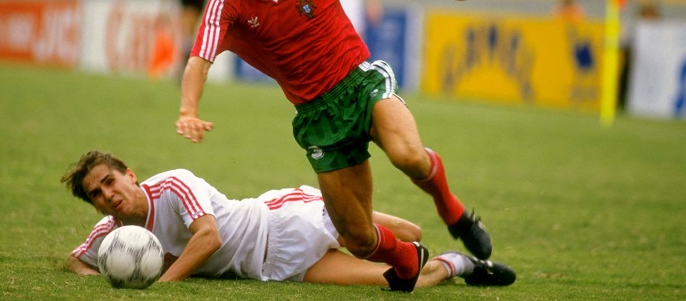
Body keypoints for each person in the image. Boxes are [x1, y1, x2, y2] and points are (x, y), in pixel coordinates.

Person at [175, 0, 501, 292]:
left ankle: (454, 212)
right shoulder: (228, 0)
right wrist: (187, 109)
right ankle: (407, 259)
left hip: (360, 83)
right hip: (317, 117)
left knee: (408, 156)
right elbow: (199, 58)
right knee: (360, 239)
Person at [62, 150, 516, 288]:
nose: (108, 195)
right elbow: (76, 259)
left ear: (129, 175)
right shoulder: (114, 235)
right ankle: (459, 264)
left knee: (409, 235)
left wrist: (159, 282)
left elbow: (209, 238)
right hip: (275, 266)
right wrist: (115, 271)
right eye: (97, 194)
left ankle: (436, 241)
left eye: (109, 181)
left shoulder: (174, 185)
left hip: (285, 219)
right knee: (402, 280)